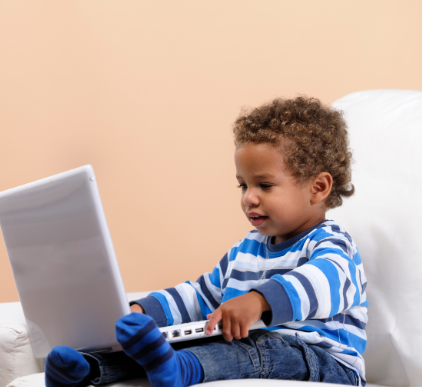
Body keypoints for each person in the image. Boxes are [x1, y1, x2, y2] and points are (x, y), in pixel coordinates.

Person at [45, 96, 368, 387]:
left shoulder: (332, 244)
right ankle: (89, 368)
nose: (249, 198)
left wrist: (258, 301)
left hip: (325, 363)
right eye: (243, 185)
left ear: (319, 187)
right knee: (176, 340)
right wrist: (144, 310)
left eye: (265, 185)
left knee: (264, 346)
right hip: (256, 346)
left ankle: (182, 371)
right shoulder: (246, 250)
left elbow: (321, 280)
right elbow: (201, 296)